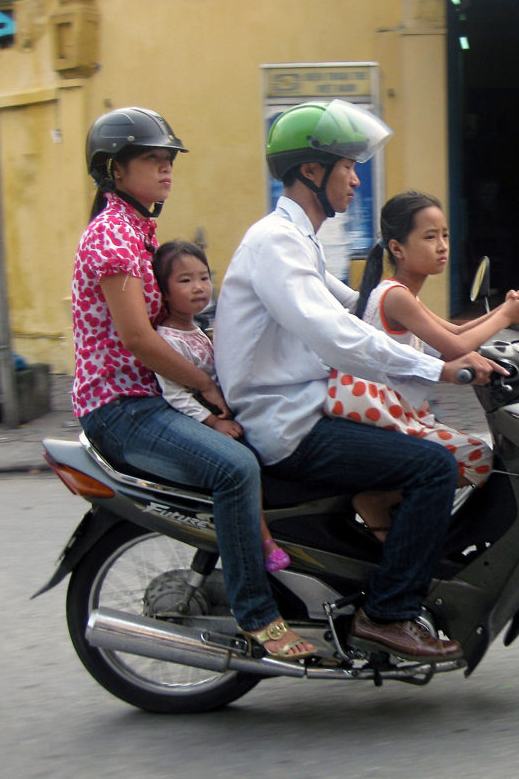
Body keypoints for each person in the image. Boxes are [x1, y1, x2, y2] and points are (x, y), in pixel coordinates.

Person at [214, 100, 504, 663]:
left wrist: (465, 339)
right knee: (432, 467)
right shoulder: (276, 243)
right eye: (346, 166)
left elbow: (359, 309)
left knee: (423, 440)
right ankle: (388, 612)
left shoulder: (301, 242)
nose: (356, 177)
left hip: (309, 406)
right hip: (289, 423)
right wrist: (437, 368)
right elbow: (334, 336)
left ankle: (386, 571)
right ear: (311, 172)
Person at [73, 107, 314, 661]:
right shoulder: (112, 237)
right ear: (115, 169)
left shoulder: (136, 229)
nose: (165, 171)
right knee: (236, 468)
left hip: (151, 398)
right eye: (153, 161)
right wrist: (207, 386)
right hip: (125, 407)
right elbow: (138, 339)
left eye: (168, 161)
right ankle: (259, 617)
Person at [331, 190, 519, 538]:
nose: (442, 245)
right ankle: (380, 501)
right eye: (429, 237)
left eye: (444, 235)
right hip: (385, 415)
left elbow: (455, 331)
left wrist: (505, 313)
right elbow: (456, 346)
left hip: (394, 410)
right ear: (397, 248)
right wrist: (504, 315)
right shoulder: (395, 296)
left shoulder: (400, 292)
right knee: (478, 457)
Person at [152, 240, 289, 573]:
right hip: (202, 424)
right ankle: (263, 539)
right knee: (245, 465)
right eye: (185, 280)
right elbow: (175, 395)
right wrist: (213, 423)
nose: (198, 287)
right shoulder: (166, 339)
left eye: (203, 277)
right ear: (164, 292)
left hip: (224, 414)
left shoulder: (197, 330)